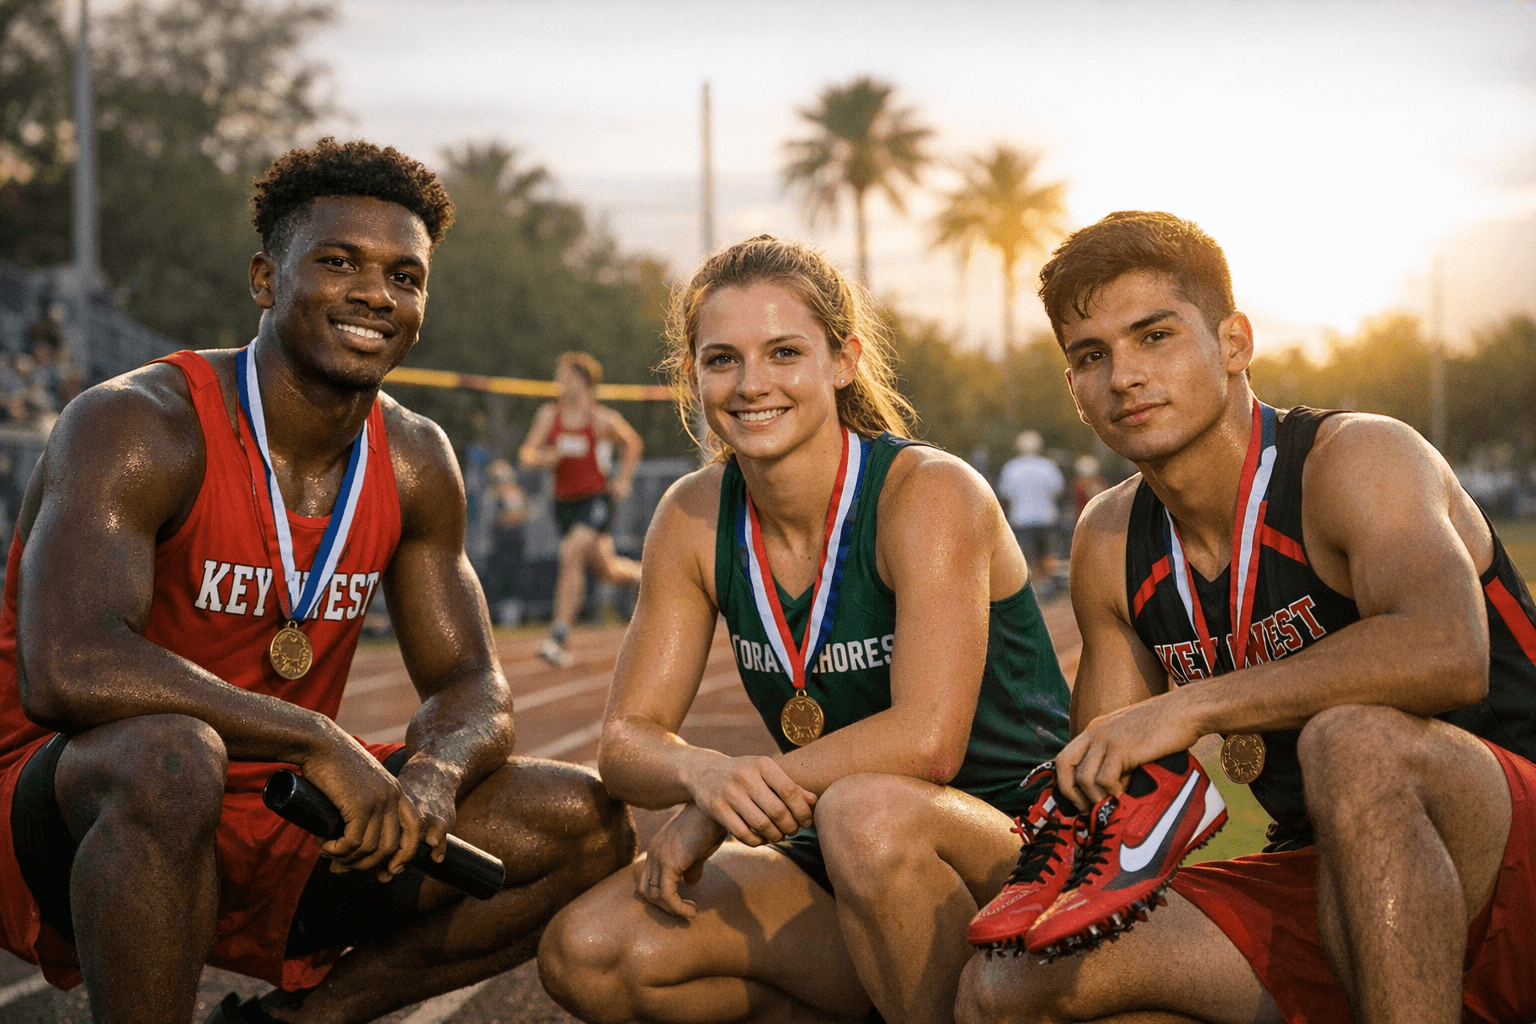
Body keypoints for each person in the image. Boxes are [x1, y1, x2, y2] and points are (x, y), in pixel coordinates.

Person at [0, 137, 633, 1024]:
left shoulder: (416, 459)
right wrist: (315, 740)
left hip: (283, 808)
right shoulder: (137, 424)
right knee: (174, 757)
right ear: (265, 278)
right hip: (79, 796)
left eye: (405, 277)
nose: (377, 294)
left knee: (584, 822)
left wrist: (435, 779)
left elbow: (472, 686)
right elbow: (67, 664)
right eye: (338, 263)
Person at [958, 211, 1536, 1024]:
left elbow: (1446, 648)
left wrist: (1191, 704)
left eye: (1154, 336)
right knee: (1010, 990)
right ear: (1073, 391)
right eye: (1092, 356)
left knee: (1354, 740)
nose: (1124, 375)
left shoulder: (1355, 459)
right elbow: (1123, 777)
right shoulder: (1111, 537)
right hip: (1340, 874)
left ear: (1233, 343)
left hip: (1512, 848)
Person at [536, 235, 1072, 1024]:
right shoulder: (691, 514)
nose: (753, 385)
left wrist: (722, 812)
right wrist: (704, 777)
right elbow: (626, 743)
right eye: (723, 359)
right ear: (693, 374)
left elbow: (928, 740)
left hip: (1017, 851)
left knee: (867, 812)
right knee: (593, 951)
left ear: (843, 360)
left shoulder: (925, 493)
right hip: (841, 845)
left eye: (784, 352)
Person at [518, 351, 643, 667]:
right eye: (559, 377)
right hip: (564, 504)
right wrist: (547, 457)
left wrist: (623, 479)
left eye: (567, 377)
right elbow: (527, 455)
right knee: (606, 569)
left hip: (596, 499)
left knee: (571, 553)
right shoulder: (549, 416)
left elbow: (632, 443)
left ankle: (557, 637)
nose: (561, 383)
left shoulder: (602, 419)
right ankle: (640, 575)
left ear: (585, 381)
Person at [995, 430, 1064, 590]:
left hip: (1021, 519)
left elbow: (1005, 494)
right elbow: (1058, 490)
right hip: (1047, 517)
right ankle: (1048, 587)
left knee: (1027, 557)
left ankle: (1033, 590)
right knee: (1047, 554)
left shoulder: (1011, 467)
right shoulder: (1047, 466)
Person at [481, 458, 529, 626]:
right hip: (497, 547)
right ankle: (495, 619)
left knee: (514, 583)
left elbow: (516, 517)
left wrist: (502, 517)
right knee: (496, 583)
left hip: (514, 546)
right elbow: (490, 519)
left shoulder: (514, 493)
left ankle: (512, 619)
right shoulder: (490, 495)